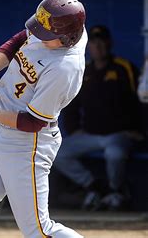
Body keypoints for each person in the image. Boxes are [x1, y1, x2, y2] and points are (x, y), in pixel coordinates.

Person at [0, 0, 87, 237]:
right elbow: (17, 41)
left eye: (47, 35)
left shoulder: (65, 67)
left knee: (38, 230)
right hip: (2, 134)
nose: (38, 37)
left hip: (29, 144)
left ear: (68, 38)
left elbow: (30, 122)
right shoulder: (53, 29)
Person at [54, 25, 141, 211]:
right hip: (89, 135)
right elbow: (70, 105)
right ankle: (96, 187)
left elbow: (142, 102)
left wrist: (140, 131)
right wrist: (75, 130)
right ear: (88, 46)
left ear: (109, 43)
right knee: (56, 153)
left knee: (114, 154)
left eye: (102, 41)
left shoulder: (124, 68)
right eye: (94, 42)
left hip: (118, 135)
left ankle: (116, 192)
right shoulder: (83, 71)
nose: (98, 46)